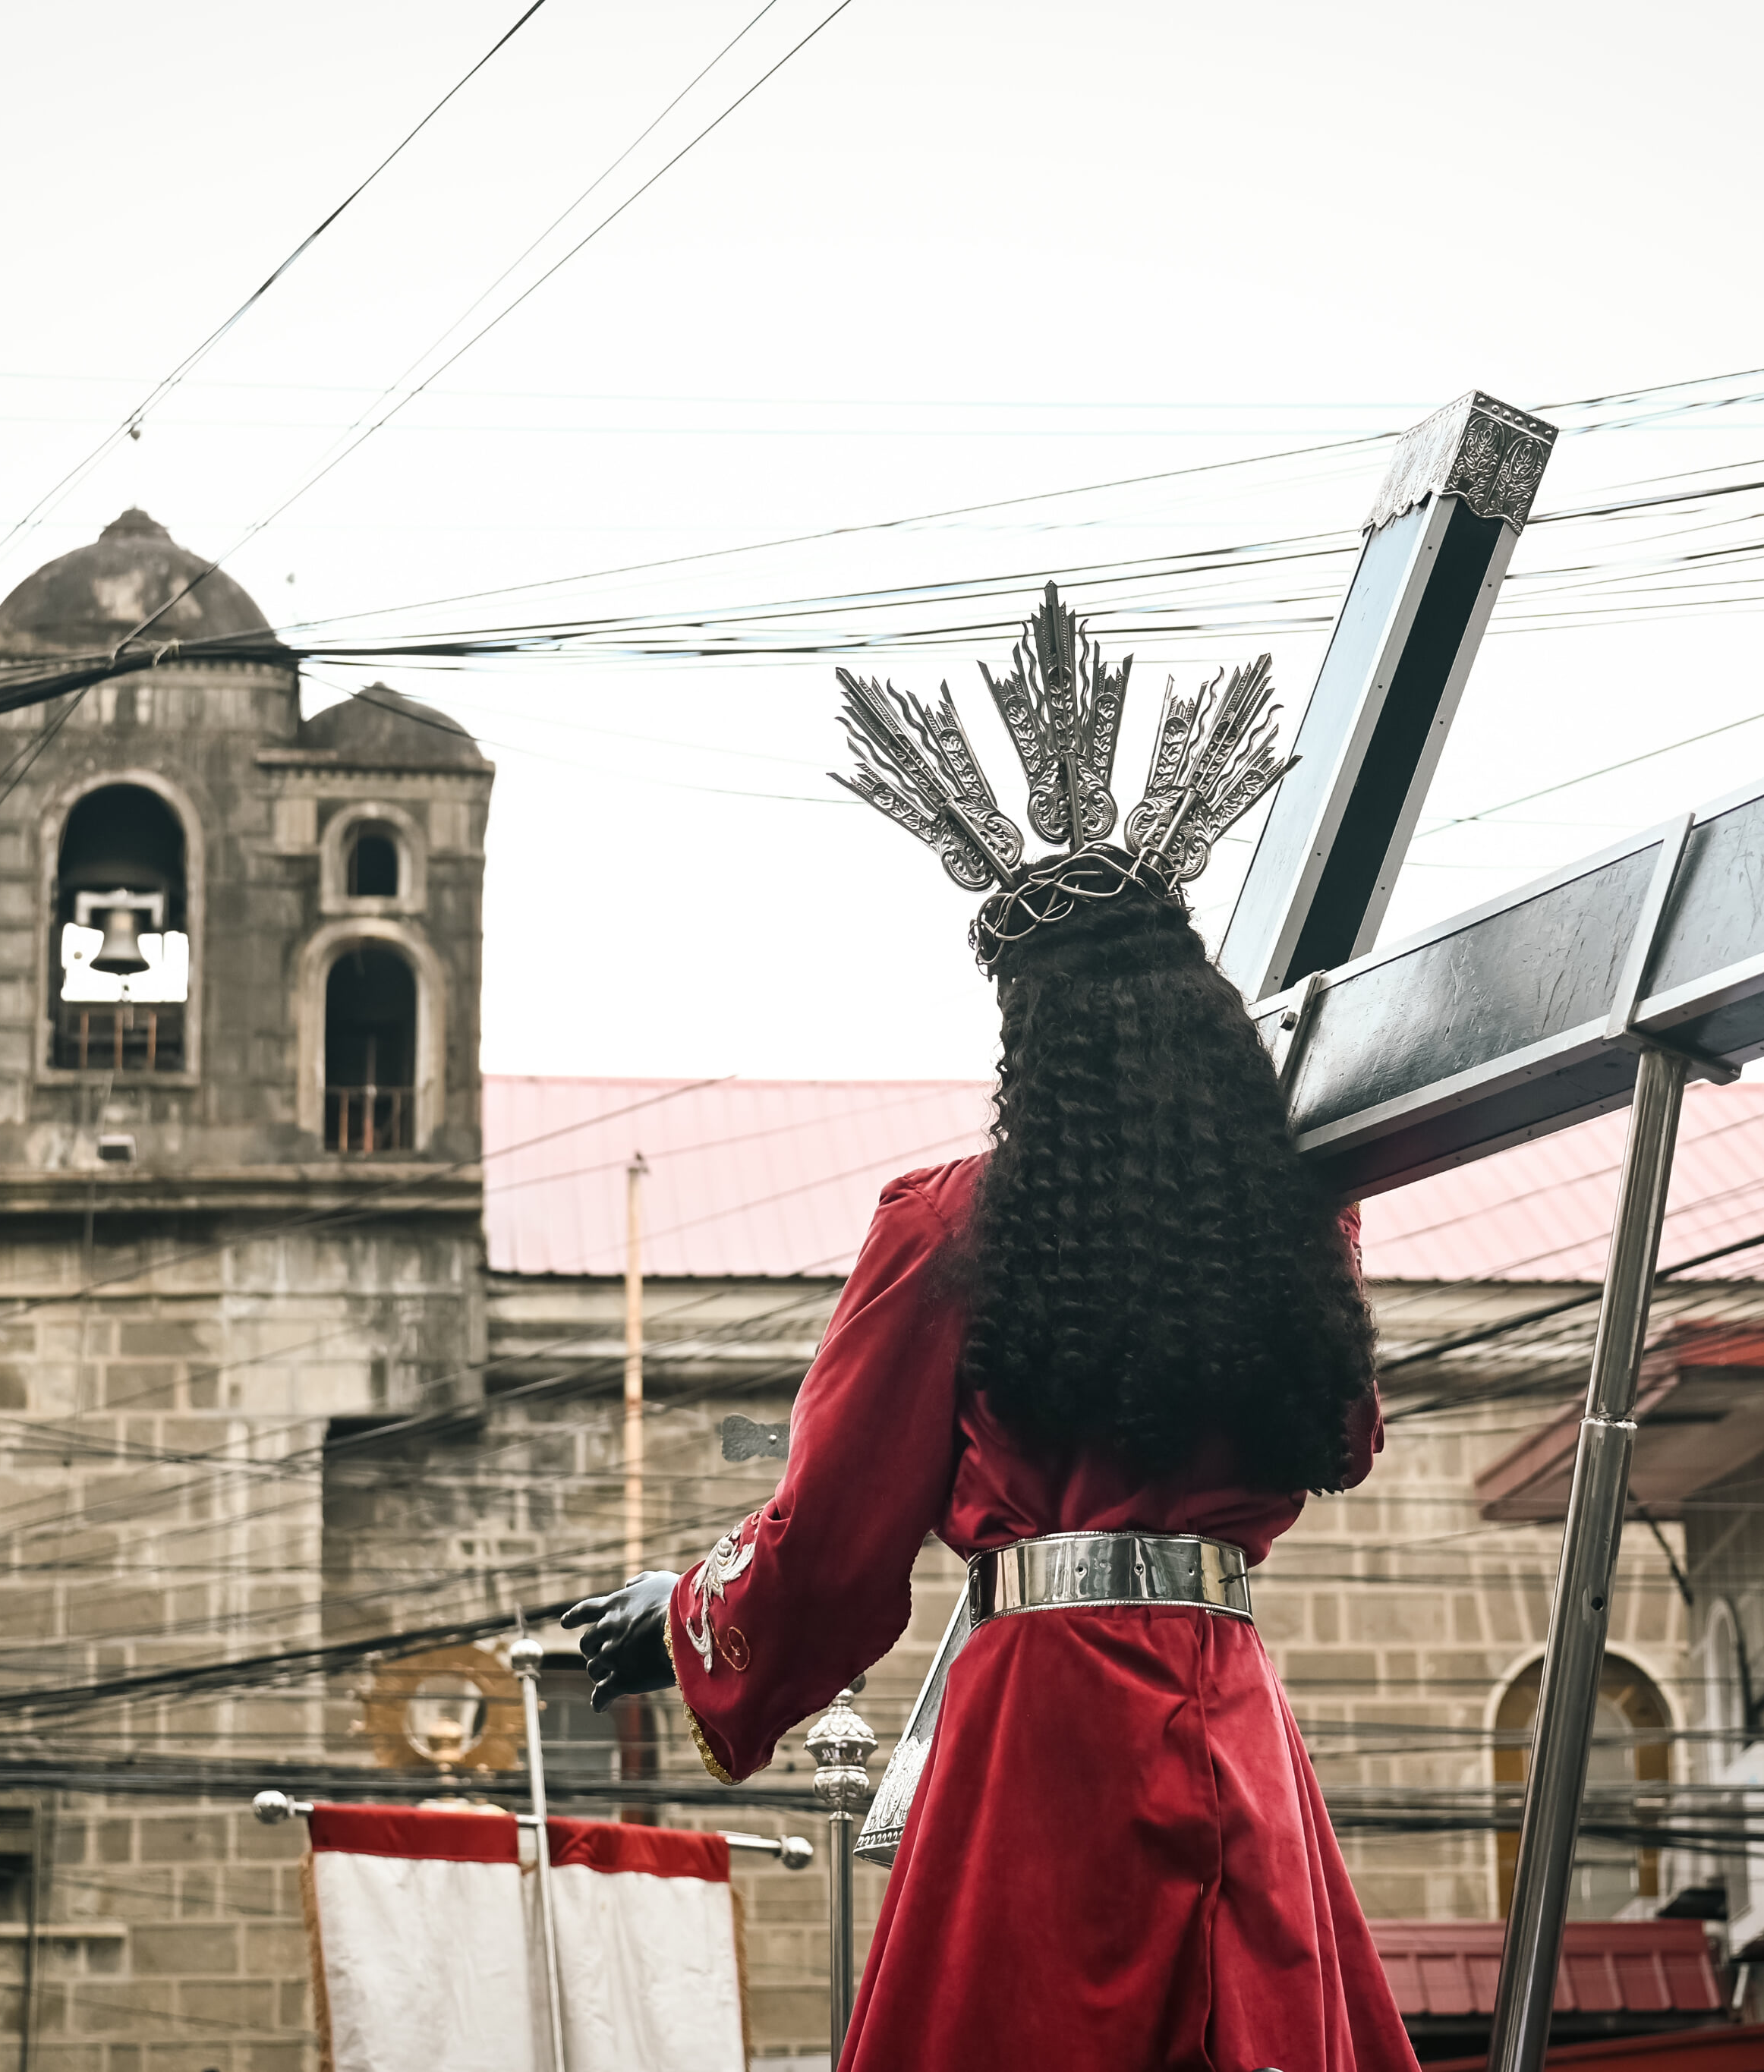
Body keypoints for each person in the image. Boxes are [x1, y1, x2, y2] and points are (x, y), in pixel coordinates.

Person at [565, 592, 1421, 2072]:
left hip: (1046, 1719)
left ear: (1029, 1039)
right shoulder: (1297, 1219)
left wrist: (691, 1608)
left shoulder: (949, 1227)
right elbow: (1339, 1439)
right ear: (1197, 1017)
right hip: (1227, 1692)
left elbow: (834, 1542)